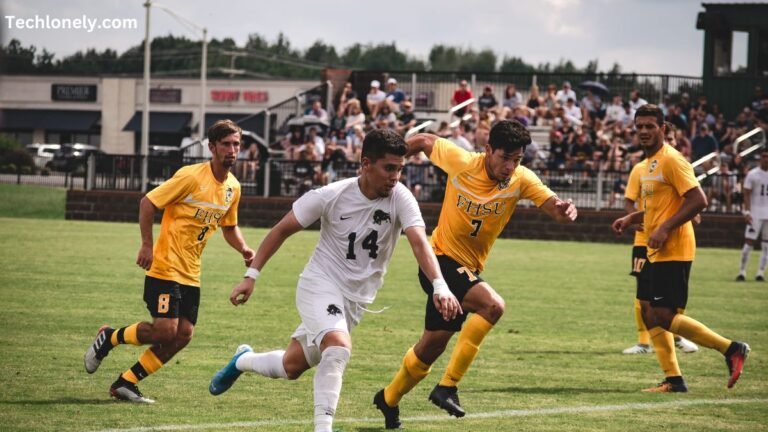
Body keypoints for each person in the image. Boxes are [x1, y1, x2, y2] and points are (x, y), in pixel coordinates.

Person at [208, 129, 462, 432]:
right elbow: (280, 230)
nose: (395, 177)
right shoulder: (331, 195)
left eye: (400, 169)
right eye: (389, 168)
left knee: (291, 366)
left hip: (355, 300)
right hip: (320, 284)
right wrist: (251, 276)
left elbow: (420, 242)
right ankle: (323, 429)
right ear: (366, 164)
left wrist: (440, 285)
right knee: (339, 347)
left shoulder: (400, 198)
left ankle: (242, 360)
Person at [374, 120, 578, 428]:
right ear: (488, 150)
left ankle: (388, 399)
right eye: (505, 157)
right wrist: (396, 166)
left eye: (517, 159)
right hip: (439, 261)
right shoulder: (463, 162)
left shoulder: (521, 179)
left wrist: (564, 212)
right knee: (492, 305)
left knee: (431, 347)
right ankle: (447, 387)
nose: (510, 166)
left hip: (466, 270)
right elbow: (424, 139)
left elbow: (552, 207)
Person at [83, 120, 255, 403]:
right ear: (212, 147)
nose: (232, 150)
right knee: (165, 330)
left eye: (236, 144)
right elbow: (148, 203)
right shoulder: (190, 176)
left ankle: (126, 382)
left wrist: (244, 249)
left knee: (184, 334)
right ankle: (109, 337)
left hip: (191, 272)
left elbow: (229, 226)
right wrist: (147, 245)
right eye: (226, 144)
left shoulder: (233, 188)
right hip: (165, 266)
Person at [612, 105, 749, 393]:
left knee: (664, 315)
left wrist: (664, 228)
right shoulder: (649, 164)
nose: (644, 131)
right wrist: (631, 218)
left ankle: (732, 348)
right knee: (649, 311)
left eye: (651, 126)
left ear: (663, 128)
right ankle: (673, 379)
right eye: (640, 126)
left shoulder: (673, 160)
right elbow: (656, 208)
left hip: (674, 248)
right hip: (654, 250)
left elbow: (698, 201)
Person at [621, 122, 698, 355]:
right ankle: (643, 342)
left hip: (672, 241)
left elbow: (690, 200)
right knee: (643, 294)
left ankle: (675, 338)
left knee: (668, 299)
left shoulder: (675, 164)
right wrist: (633, 220)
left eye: (674, 139)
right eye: (669, 139)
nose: (671, 143)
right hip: (644, 240)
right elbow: (630, 201)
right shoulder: (641, 169)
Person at [736, 148, 768, 281]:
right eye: (764, 156)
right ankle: (742, 271)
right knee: (749, 242)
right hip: (755, 212)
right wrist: (747, 211)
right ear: (760, 158)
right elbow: (746, 194)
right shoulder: (753, 174)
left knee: (766, 244)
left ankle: (760, 272)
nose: (766, 159)